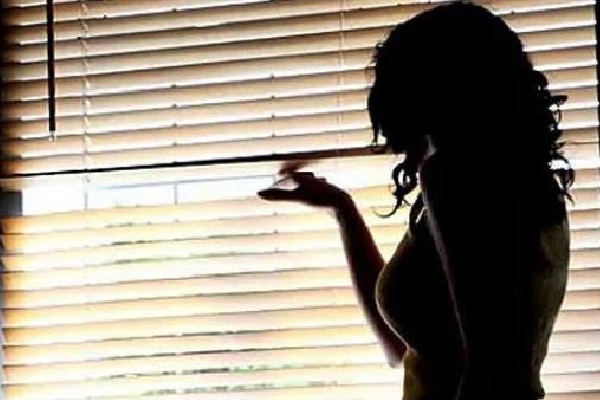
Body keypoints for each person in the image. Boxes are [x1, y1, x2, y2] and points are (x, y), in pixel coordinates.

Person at [258, 2, 573, 400]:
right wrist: (342, 208)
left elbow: (490, 374)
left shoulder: (453, 177)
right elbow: (407, 351)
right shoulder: (533, 187)